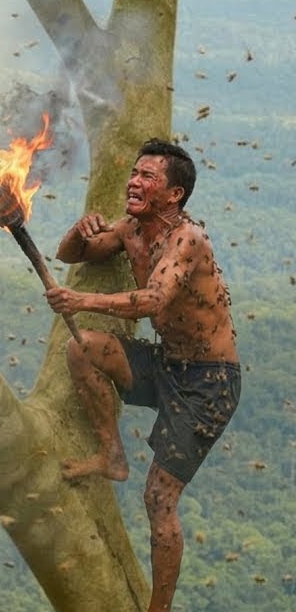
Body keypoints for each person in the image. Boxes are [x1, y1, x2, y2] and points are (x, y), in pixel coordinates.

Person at [45, 138, 240, 612]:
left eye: (147, 177)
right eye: (134, 173)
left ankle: (159, 609)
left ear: (174, 195)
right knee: (82, 348)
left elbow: (153, 300)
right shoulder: (133, 228)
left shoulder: (187, 240)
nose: (134, 182)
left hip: (209, 382)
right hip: (167, 362)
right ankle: (112, 454)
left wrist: (81, 301)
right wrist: (78, 230)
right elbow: (72, 254)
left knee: (158, 498)